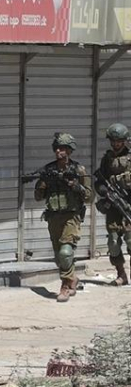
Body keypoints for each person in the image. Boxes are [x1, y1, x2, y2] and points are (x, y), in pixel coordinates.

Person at [34, 133, 93, 302]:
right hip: (53, 217)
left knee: (66, 252)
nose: (58, 151)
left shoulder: (78, 170)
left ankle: (65, 286)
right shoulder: (48, 170)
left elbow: (89, 196)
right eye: (57, 148)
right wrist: (42, 185)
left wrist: (76, 186)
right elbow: (38, 197)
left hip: (71, 216)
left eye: (62, 148)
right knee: (59, 256)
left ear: (69, 150)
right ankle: (72, 279)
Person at [95, 123, 131, 286]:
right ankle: (121, 274)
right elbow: (99, 181)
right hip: (113, 207)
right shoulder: (107, 159)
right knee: (114, 242)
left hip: (128, 204)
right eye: (114, 141)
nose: (116, 144)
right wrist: (104, 191)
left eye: (120, 141)